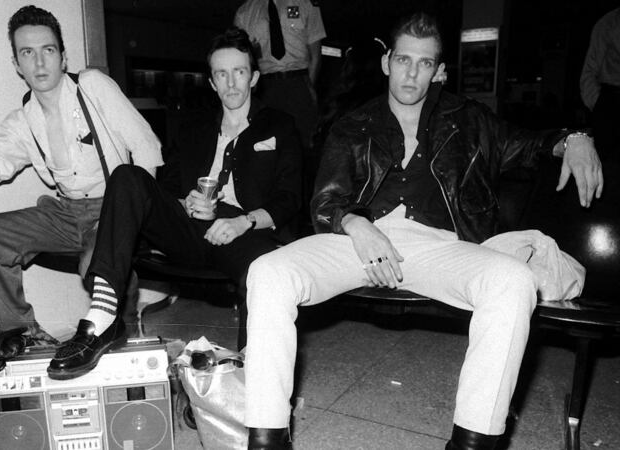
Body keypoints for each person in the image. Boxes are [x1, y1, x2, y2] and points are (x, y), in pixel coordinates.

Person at [242, 13, 603, 450]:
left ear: (439, 70)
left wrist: (577, 137)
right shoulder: (353, 125)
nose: (412, 73)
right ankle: (266, 440)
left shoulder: (470, 120)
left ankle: (473, 442)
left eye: (425, 63)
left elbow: (533, 145)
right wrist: (357, 224)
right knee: (268, 271)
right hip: (359, 240)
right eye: (404, 60)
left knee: (513, 281)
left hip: (439, 246)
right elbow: (324, 203)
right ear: (386, 63)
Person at [46, 27, 302, 380]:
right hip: (190, 230)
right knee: (127, 176)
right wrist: (184, 203)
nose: (231, 83)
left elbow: (290, 198)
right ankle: (103, 318)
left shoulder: (280, 126)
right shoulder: (193, 128)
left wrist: (243, 221)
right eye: (221, 74)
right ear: (211, 82)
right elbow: (165, 187)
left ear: (254, 76)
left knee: (262, 275)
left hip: (247, 233)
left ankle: (250, 378)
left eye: (239, 72)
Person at [0, 5, 162, 343]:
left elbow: (146, 146)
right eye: (27, 53)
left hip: (113, 207)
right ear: (17, 65)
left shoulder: (92, 86)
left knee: (95, 265)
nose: (39, 62)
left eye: (48, 50)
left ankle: (126, 326)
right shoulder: (22, 121)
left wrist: (137, 216)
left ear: (63, 57)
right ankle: (24, 335)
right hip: (63, 212)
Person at [234, 0, 325, 205]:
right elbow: (241, 57)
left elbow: (315, 53)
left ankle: (311, 207)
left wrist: (308, 86)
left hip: (297, 82)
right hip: (264, 86)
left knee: (305, 149)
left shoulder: (306, 4)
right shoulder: (245, 12)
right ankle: (273, 206)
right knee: (267, 150)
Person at [580, 7, 620, 163]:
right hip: (612, 101)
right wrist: (600, 107)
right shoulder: (609, 23)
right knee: (608, 171)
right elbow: (589, 71)